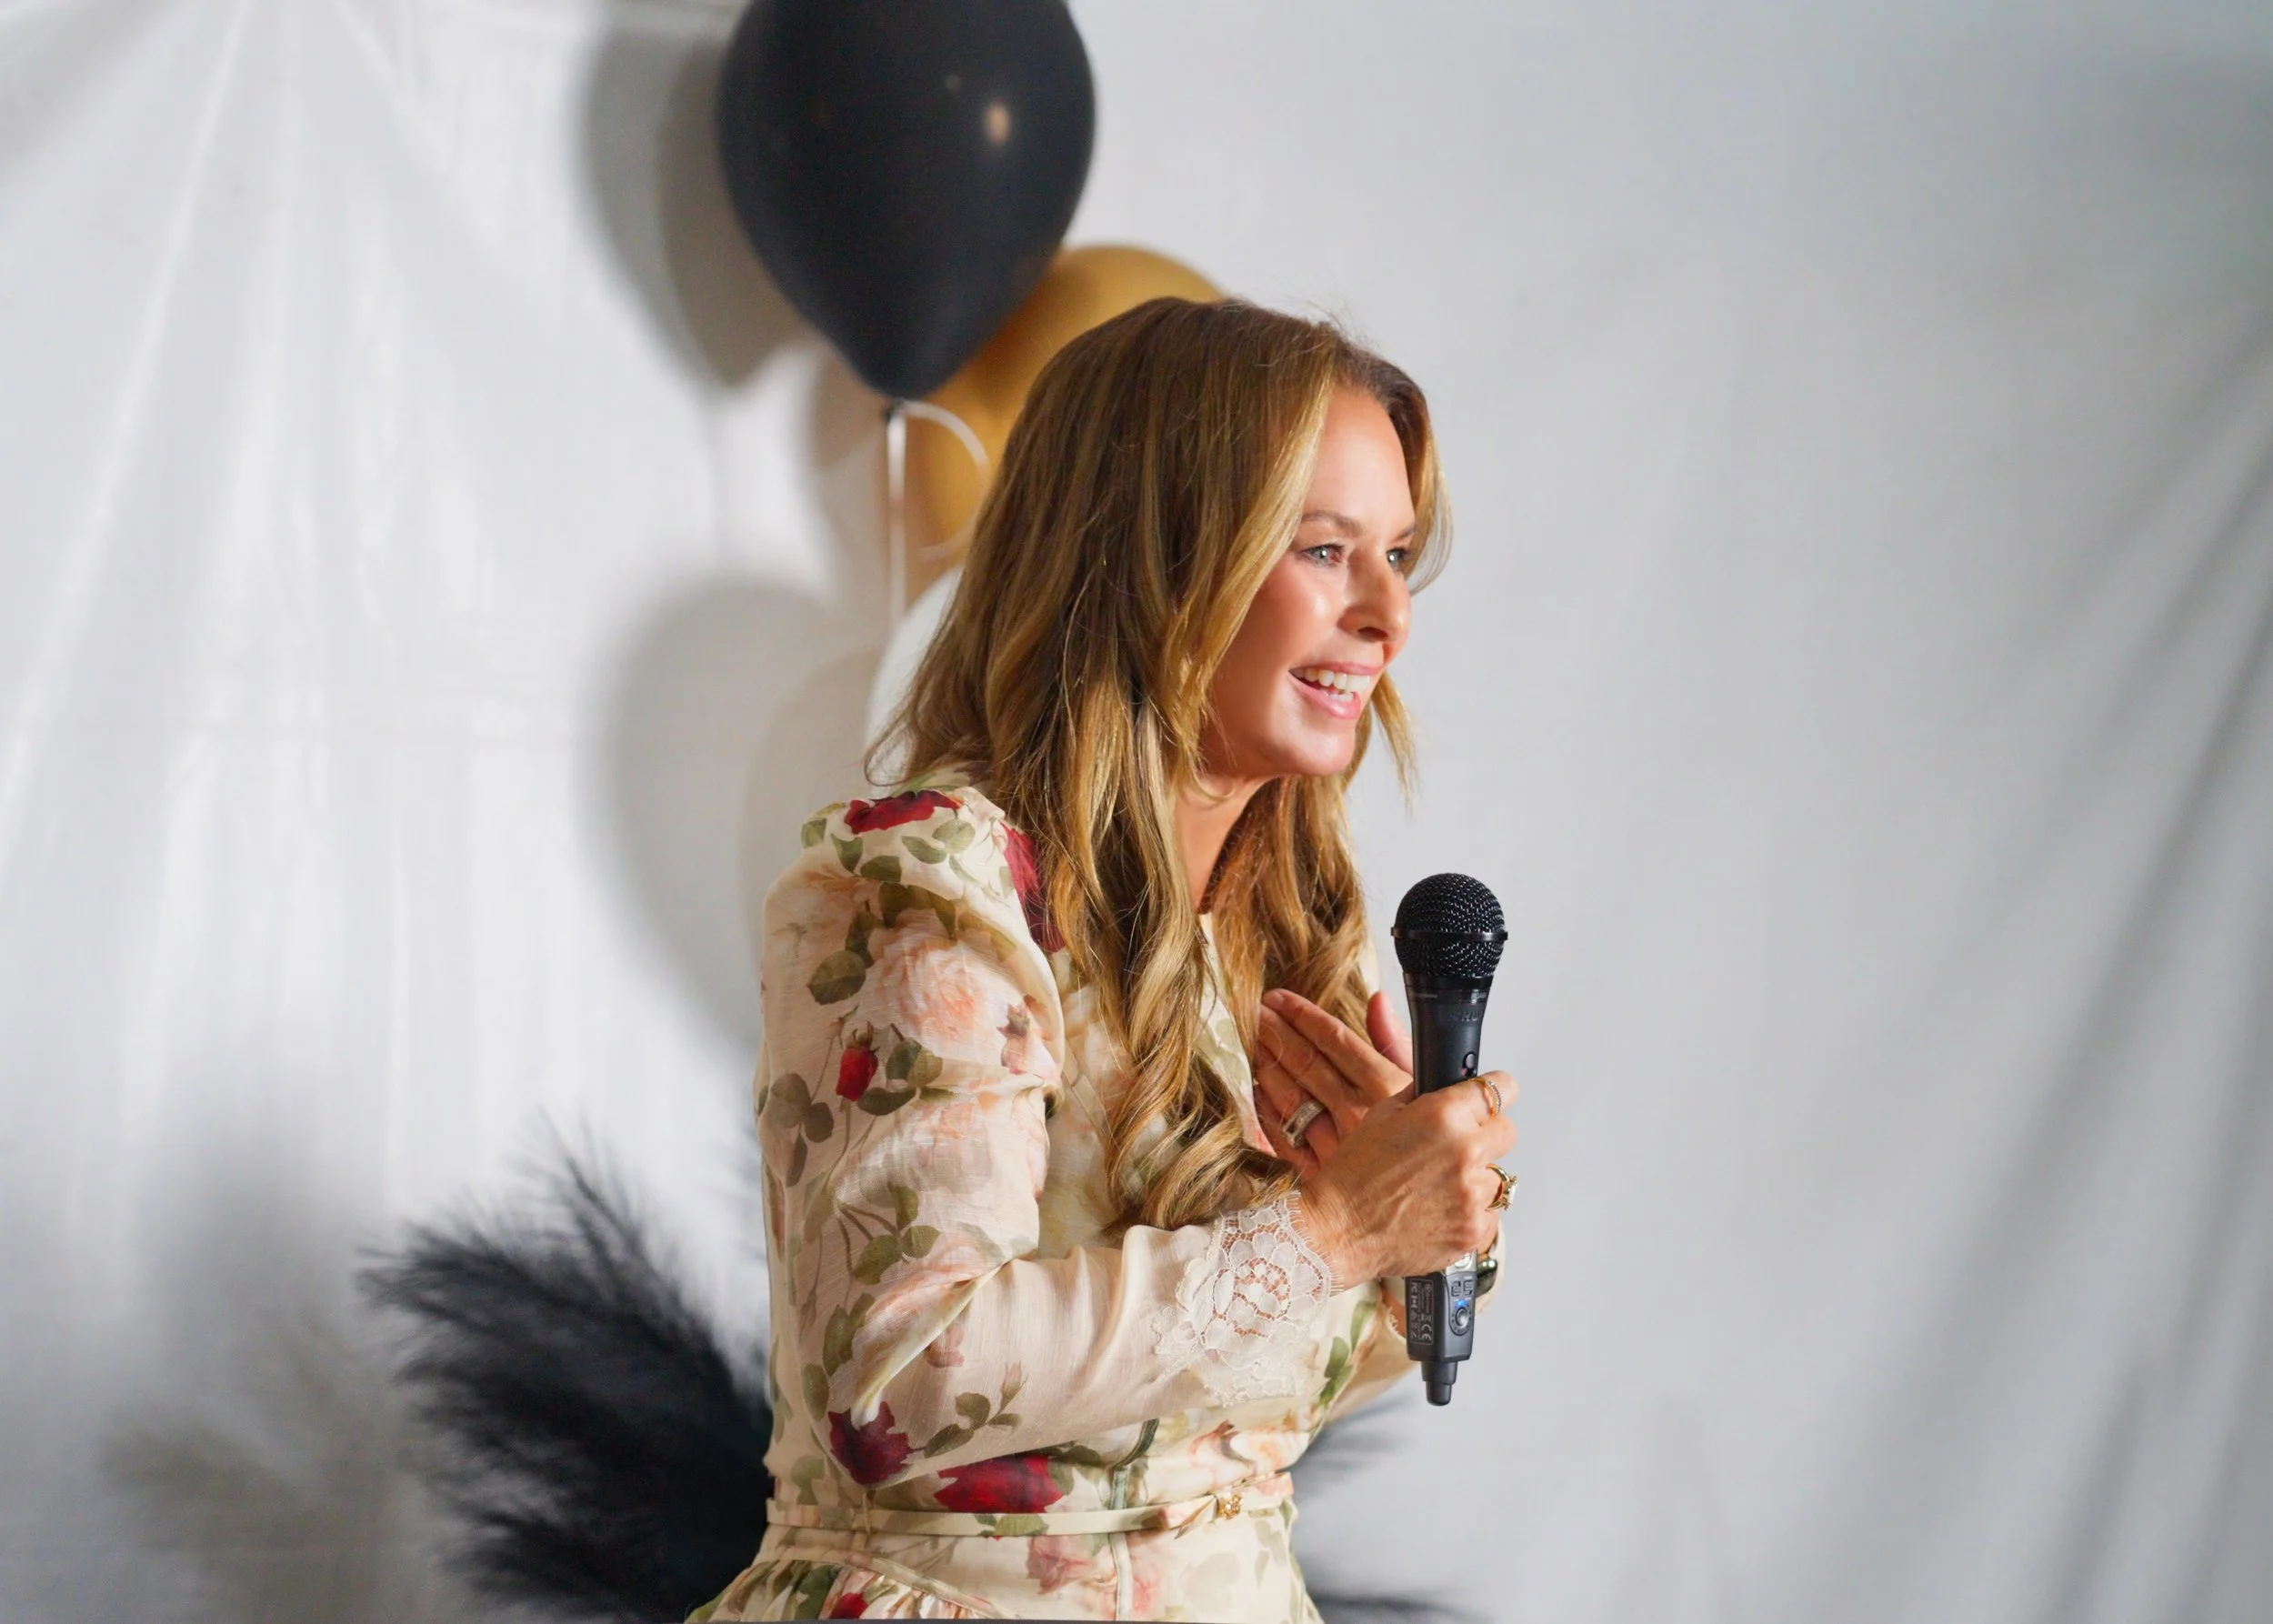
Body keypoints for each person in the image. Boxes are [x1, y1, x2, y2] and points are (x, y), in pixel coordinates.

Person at [694, 298, 1518, 1623]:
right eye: (1325, 549)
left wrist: (1419, 1228)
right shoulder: (932, 883)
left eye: (1400, 558)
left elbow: (1264, 1380)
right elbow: (899, 1373)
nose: (1386, 616)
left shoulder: (1283, 926)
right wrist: (1325, 1229)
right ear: (1160, 557)